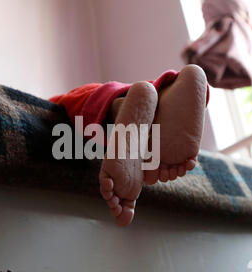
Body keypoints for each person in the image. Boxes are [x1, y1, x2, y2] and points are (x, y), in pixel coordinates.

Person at [49, 65, 209, 226]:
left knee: (61, 107)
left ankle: (123, 108)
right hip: (107, 94)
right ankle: (154, 96)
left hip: (75, 109)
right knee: (84, 100)